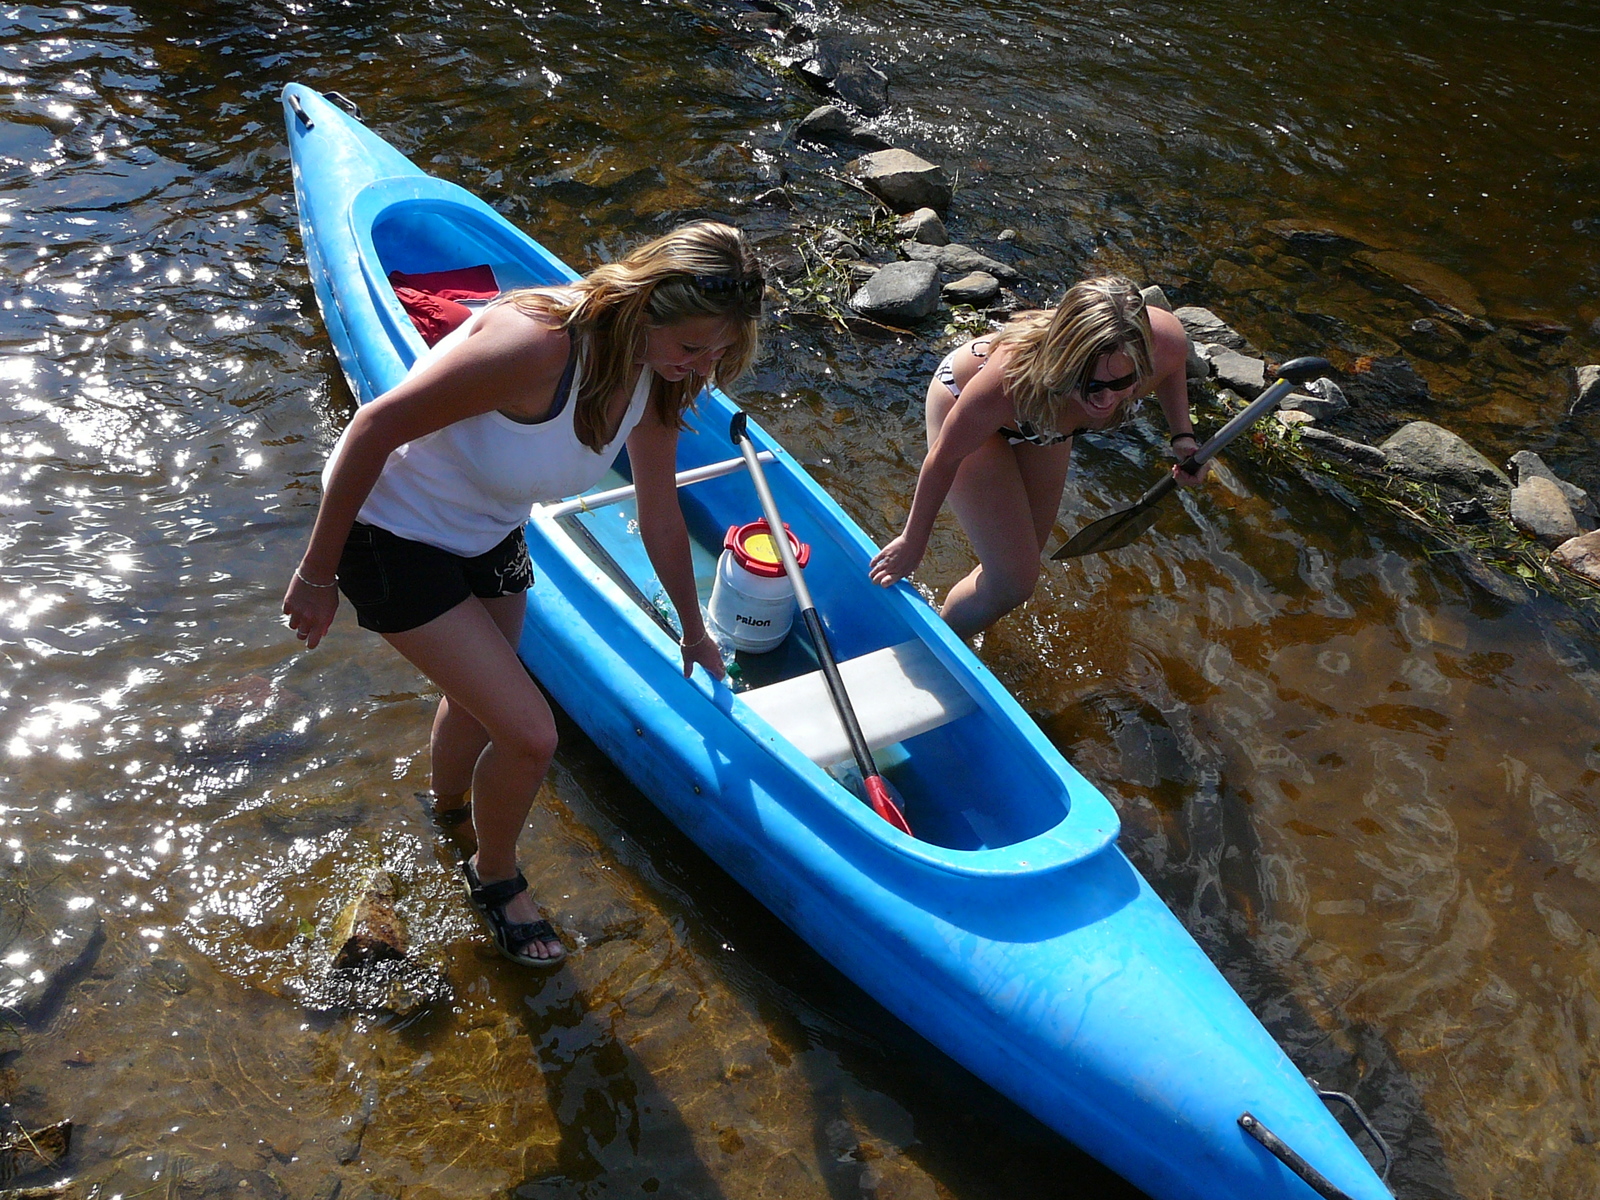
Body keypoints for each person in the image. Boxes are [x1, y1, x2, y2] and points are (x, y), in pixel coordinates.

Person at [282, 221, 763, 968]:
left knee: (484, 705)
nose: (701, 367)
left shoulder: (666, 377)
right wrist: (316, 573)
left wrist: (692, 630)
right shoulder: (538, 345)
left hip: (488, 528)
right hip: (388, 535)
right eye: (693, 347)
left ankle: (444, 814)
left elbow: (660, 514)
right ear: (645, 306)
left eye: (720, 353)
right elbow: (373, 427)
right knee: (533, 735)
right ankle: (494, 874)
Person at [867, 275, 1208, 638]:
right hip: (976, 400)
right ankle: (931, 653)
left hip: (1047, 426)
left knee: (1022, 559)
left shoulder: (1162, 342)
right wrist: (913, 540)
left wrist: (1182, 437)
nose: (1106, 400)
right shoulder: (1003, 383)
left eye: (1121, 385)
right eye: (1091, 384)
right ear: (1063, 359)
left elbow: (1173, 369)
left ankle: (957, 630)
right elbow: (943, 459)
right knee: (1014, 583)